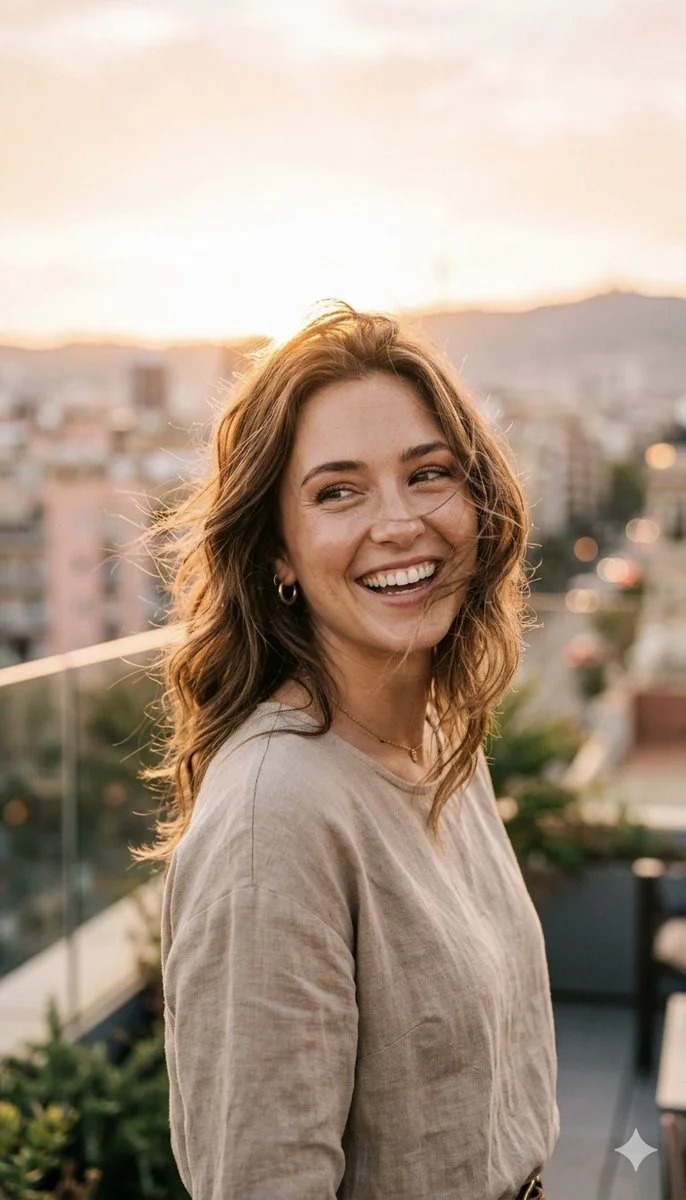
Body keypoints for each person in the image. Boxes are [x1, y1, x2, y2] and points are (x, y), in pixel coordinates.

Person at [137, 302, 560, 1199]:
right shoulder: (276, 817)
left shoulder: (444, 738)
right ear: (278, 554)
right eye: (339, 491)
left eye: (428, 474)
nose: (400, 522)